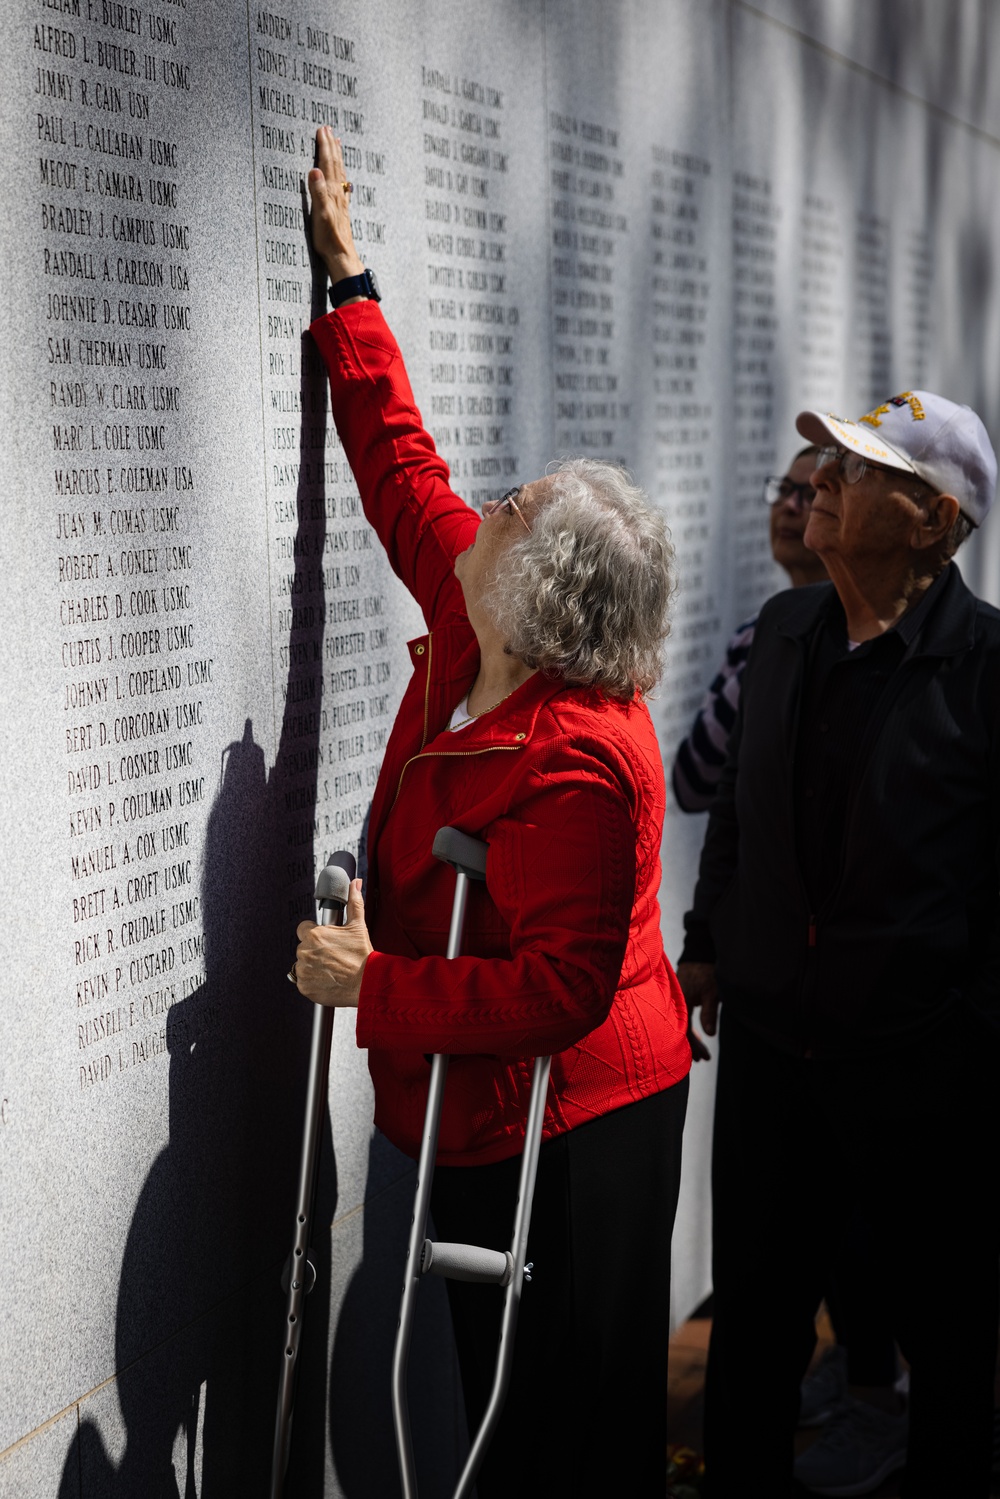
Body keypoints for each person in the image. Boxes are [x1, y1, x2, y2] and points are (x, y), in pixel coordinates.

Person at [288, 125, 692, 1497]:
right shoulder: (483, 612)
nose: (486, 506)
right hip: (493, 1097)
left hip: (579, 1117)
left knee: (558, 1426)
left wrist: (377, 979)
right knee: (507, 1404)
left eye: (514, 508)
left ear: (548, 597)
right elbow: (402, 467)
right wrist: (351, 286)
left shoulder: (584, 755)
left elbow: (565, 983)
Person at [677, 390, 1000, 1498]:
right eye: (824, 464)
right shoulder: (781, 629)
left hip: (921, 1063)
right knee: (755, 1323)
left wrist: (966, 1030)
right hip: (772, 1045)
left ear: (931, 517)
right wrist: (708, 938)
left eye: (853, 470)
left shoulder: (987, 667)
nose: (816, 481)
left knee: (951, 1336)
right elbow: (734, 805)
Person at [672, 447, 827, 813]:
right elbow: (691, 782)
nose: (789, 506)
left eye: (810, 495)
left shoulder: (865, 640)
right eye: (785, 489)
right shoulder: (753, 638)